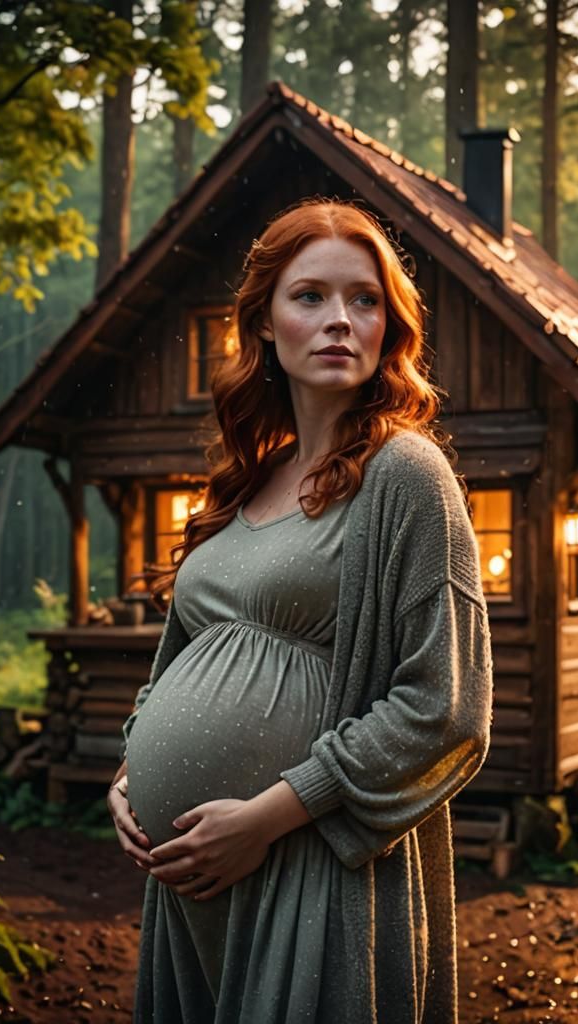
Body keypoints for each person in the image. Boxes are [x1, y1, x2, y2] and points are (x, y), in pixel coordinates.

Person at [106, 196, 494, 1023]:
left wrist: (270, 815)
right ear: (264, 325)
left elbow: (447, 707)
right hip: (187, 876)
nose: (340, 320)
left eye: (364, 300)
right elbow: (172, 668)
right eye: (309, 296)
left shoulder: (408, 476)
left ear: (391, 327)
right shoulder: (245, 481)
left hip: (311, 860)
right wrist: (131, 774)